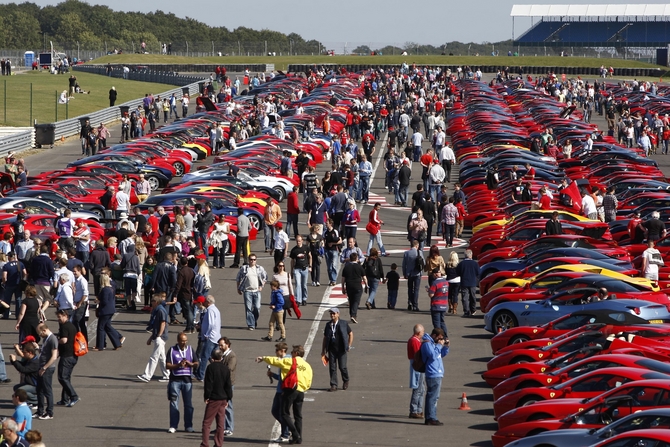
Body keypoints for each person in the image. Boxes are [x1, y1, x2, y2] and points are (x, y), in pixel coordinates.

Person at [256, 345, 313, 445]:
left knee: (284, 413)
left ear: (296, 353)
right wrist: (303, 388)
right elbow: (309, 380)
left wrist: (264, 358)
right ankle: (299, 438)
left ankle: (294, 433)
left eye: (292, 353)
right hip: (301, 391)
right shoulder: (307, 365)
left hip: (291, 390)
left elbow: (277, 361)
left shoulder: (291, 361)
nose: (291, 354)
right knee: (298, 415)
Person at [166, 332, 198, 434]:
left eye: (186, 340)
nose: (184, 343)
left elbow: (196, 363)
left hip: (187, 381)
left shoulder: (190, 349)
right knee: (174, 404)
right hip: (175, 380)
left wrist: (191, 364)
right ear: (178, 341)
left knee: (188, 404)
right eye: (182, 341)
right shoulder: (172, 350)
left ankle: (188, 425)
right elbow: (168, 365)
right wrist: (178, 365)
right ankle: (173, 425)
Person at [201, 349, 233, 447]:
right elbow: (228, 385)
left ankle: (205, 444)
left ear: (212, 357)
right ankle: (219, 444)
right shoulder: (225, 368)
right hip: (223, 399)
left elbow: (208, 384)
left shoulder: (210, 368)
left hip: (214, 399)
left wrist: (207, 396)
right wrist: (228, 398)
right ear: (221, 357)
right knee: (220, 424)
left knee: (207, 423)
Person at [136, 294, 169, 383]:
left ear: (156, 302)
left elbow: (163, 324)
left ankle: (147, 376)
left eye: (152, 301)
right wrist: (151, 338)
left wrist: (158, 336)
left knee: (154, 357)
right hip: (158, 336)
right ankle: (167, 375)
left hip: (160, 337)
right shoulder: (157, 310)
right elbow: (156, 326)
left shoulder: (160, 311)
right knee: (162, 358)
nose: (151, 303)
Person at [419, 328, 449, 426]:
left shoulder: (433, 344)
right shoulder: (427, 344)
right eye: (439, 338)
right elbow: (432, 356)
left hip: (437, 373)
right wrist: (439, 345)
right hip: (432, 373)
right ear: (434, 335)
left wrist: (445, 347)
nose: (439, 340)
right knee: (432, 397)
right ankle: (431, 417)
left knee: (434, 397)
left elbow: (440, 354)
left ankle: (431, 417)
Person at [321, 307, 353, 392]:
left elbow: (350, 334)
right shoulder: (328, 325)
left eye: (334, 313)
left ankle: (346, 380)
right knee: (332, 368)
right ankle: (333, 384)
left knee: (342, 367)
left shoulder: (343, 323)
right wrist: (323, 350)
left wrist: (349, 345)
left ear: (338, 314)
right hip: (332, 349)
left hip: (342, 350)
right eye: (331, 313)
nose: (332, 315)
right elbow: (325, 338)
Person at [55, 309, 79, 408]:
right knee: (66, 378)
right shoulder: (72, 326)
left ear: (66, 316)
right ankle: (64, 399)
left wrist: (56, 340)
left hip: (67, 356)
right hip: (73, 355)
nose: (58, 319)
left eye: (60, 316)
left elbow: (64, 340)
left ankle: (74, 396)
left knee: (62, 377)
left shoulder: (64, 327)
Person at [267, 342, 291, 443]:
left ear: (282, 351)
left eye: (277, 350)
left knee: (283, 413)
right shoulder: (282, 361)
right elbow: (281, 378)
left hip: (283, 391)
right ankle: (288, 428)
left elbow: (286, 378)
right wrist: (272, 375)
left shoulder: (287, 360)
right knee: (275, 411)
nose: (275, 352)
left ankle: (286, 433)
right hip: (279, 389)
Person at [236, 254, 267, 331]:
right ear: (248, 260)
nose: (252, 261)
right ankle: (251, 324)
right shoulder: (244, 268)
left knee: (257, 307)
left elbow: (265, 277)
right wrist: (238, 288)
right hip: (247, 291)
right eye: (251, 259)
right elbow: (238, 278)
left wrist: (262, 286)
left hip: (257, 291)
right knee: (248, 308)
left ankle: (254, 320)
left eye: (254, 260)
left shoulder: (260, 268)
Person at [195, 296, 222, 381]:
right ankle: (220, 373)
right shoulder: (216, 309)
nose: (204, 303)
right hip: (216, 336)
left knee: (204, 356)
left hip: (210, 337)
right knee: (215, 358)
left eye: (205, 301)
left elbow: (211, 324)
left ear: (208, 302)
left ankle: (200, 376)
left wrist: (206, 334)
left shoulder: (210, 310)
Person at [94, 273, 124, 350]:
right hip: (110, 310)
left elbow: (104, 301)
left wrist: (98, 301)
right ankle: (117, 343)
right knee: (107, 327)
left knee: (100, 327)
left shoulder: (105, 290)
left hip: (105, 311)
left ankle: (100, 346)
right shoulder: (111, 288)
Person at [35, 322, 58, 420]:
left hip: (47, 368)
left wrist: (44, 367)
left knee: (47, 390)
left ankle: (49, 412)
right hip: (41, 367)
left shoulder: (52, 339)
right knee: (39, 390)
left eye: (40, 333)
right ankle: (40, 411)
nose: (40, 335)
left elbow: (54, 356)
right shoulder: (46, 339)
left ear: (44, 330)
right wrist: (38, 348)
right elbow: (44, 352)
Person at [218, 337, 237, 437]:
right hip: (221, 384)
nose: (220, 347)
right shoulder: (222, 355)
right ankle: (222, 427)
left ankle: (229, 428)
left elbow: (229, 369)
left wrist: (218, 364)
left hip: (228, 384)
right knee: (220, 406)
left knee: (228, 406)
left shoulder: (231, 356)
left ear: (227, 344)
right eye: (219, 345)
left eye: (222, 345)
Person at [341, 253, 367, 324]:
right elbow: (364, 278)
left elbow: (343, 279)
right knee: (356, 301)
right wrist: (366, 285)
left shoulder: (346, 267)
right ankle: (353, 315)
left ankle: (351, 314)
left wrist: (343, 287)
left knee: (351, 300)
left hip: (349, 286)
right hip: (357, 286)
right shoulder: (359, 267)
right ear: (356, 259)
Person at [407, 324, 425, 419]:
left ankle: (419, 409)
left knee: (421, 388)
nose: (423, 333)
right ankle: (414, 410)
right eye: (422, 332)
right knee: (418, 388)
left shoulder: (415, 340)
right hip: (417, 365)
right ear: (418, 333)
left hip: (417, 364)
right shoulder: (414, 341)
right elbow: (417, 354)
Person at [456, 249, 480, 317]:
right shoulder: (475, 263)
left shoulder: (461, 264)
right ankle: (473, 309)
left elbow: (457, 272)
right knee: (473, 296)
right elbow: (478, 273)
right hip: (472, 282)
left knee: (465, 297)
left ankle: (466, 311)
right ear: (471, 255)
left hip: (464, 282)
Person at [402, 240, 424, 312]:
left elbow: (404, 265)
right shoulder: (420, 252)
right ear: (417, 246)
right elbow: (423, 262)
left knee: (410, 288)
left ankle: (410, 302)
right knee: (416, 289)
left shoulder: (406, 253)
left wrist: (404, 273)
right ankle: (415, 305)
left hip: (409, 273)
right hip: (417, 273)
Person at [290, 236, 311, 306]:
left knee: (304, 285)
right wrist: (291, 270)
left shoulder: (306, 248)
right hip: (297, 269)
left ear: (302, 241)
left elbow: (310, 257)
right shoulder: (294, 250)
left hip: (305, 268)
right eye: (297, 241)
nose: (298, 242)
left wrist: (310, 266)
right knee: (298, 284)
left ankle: (304, 299)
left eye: (299, 241)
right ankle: (297, 300)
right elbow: (292, 261)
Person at [427, 269, 449, 335]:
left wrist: (429, 291)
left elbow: (431, 295)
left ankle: (439, 337)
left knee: (436, 323)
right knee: (442, 322)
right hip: (444, 304)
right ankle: (445, 336)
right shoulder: (445, 282)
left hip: (436, 305)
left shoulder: (435, 283)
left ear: (434, 274)